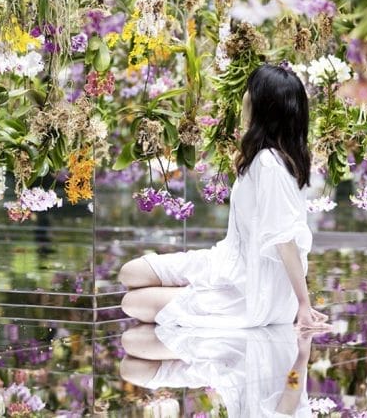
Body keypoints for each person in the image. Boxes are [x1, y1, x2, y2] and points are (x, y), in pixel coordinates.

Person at [117, 63, 330, 331]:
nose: (244, 97)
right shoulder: (268, 158)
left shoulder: (269, 163)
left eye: (249, 90)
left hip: (250, 287)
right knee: (131, 272)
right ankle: (194, 296)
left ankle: (195, 326)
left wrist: (301, 304)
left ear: (262, 105)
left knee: (134, 303)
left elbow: (285, 239)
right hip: (225, 262)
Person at [119, 323, 314, 416]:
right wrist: (302, 357)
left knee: (130, 369)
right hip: (236, 354)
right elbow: (291, 388)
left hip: (215, 376)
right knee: (131, 343)